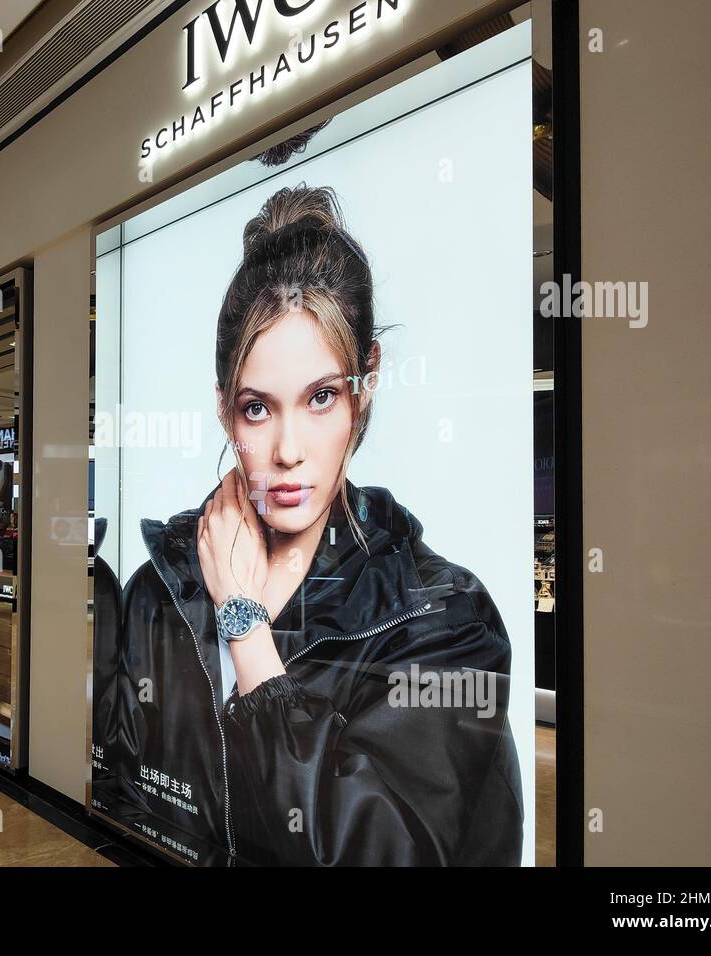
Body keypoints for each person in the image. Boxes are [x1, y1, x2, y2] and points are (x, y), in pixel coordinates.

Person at [94, 185, 523, 866]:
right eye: (258, 408)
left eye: (320, 397)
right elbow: (121, 811)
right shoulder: (161, 594)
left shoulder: (441, 622)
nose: (288, 450)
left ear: (367, 381)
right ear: (223, 408)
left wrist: (245, 629)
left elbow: (376, 855)